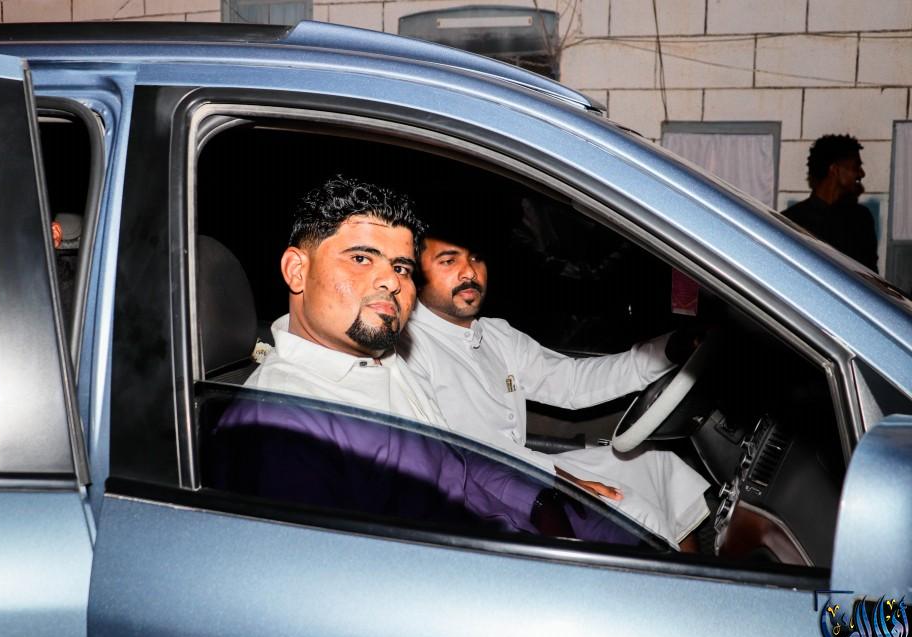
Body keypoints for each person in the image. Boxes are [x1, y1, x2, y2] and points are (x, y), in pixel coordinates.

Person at [216, 176, 639, 544]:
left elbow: (460, 463)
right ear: (296, 270)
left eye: (401, 267)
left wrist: (539, 499)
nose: (390, 280)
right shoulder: (282, 427)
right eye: (361, 258)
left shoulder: (385, 361)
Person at [399, 228, 710, 549]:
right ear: (416, 275)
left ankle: (696, 571)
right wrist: (562, 480)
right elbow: (462, 458)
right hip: (488, 492)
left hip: (527, 467)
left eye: (476, 258)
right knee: (631, 509)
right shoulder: (408, 349)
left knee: (657, 465)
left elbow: (572, 382)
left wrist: (666, 352)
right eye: (448, 261)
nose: (469, 272)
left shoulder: (496, 334)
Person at [782, 134, 877, 272]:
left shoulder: (861, 219)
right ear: (834, 170)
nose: (861, 174)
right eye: (856, 167)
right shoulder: (792, 222)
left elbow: (870, 274)